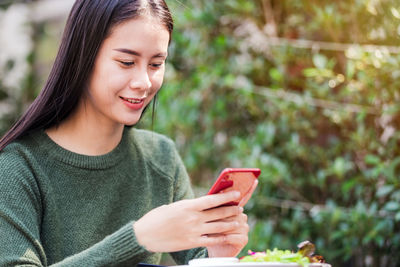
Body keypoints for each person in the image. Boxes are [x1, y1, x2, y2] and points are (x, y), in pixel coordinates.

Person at [0, 0, 258, 266]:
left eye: (156, 64)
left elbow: (196, 258)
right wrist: (139, 238)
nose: (144, 82)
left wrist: (218, 253)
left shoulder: (161, 159)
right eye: (126, 62)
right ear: (83, 56)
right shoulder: (17, 168)